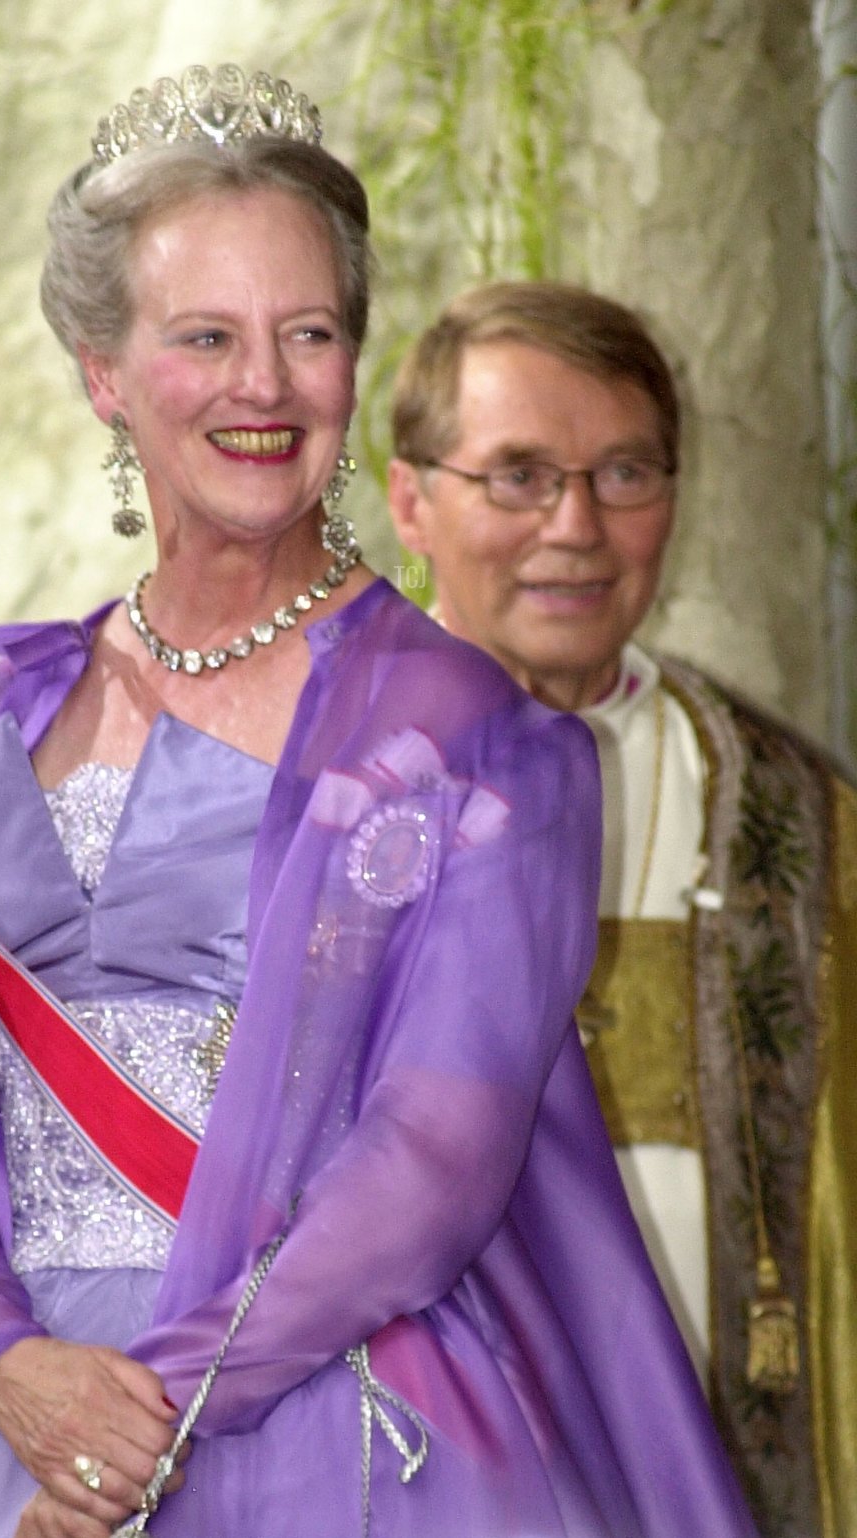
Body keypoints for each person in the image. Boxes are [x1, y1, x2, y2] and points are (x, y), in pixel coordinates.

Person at [0, 71, 758, 1538]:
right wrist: (14, 1374)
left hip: (334, 1434)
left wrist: (136, 1429)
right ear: (105, 371)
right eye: (207, 337)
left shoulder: (475, 738)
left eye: (309, 333)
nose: (265, 384)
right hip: (16, 1446)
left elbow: (432, 1157)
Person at [387, 279, 857, 1538]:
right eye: (519, 474)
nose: (576, 525)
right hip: (415, 1465)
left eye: (626, 473)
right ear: (409, 500)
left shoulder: (804, 820)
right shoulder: (315, 788)